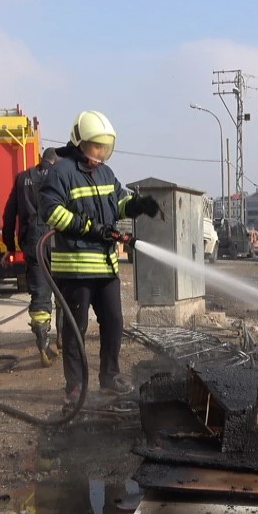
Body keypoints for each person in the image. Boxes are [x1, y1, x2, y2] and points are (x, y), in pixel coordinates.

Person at [39, 110, 161, 401]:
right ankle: (75, 385)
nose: (102, 152)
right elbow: (51, 211)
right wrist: (89, 228)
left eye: (105, 147)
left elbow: (118, 202)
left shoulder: (105, 173)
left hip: (106, 268)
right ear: (80, 142)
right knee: (75, 329)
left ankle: (110, 376)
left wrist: (138, 205)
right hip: (75, 268)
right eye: (97, 146)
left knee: (114, 322)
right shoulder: (62, 172)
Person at [2, 146, 60, 366]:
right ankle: (62, 339)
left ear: (41, 159)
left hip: (33, 241)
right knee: (63, 292)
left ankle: (43, 342)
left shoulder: (23, 178)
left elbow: (9, 214)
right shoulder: (62, 175)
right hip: (58, 239)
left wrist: (9, 245)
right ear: (56, 162)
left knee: (40, 293)